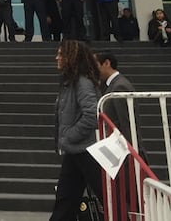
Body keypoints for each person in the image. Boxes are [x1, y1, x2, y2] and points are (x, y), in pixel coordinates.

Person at [50, 39, 103, 221]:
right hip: (76, 151)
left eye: (60, 54)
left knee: (105, 196)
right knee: (65, 200)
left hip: (85, 151)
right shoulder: (70, 82)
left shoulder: (82, 83)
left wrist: (68, 136)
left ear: (71, 57)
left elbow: (91, 114)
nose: (56, 58)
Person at [96, 51, 137, 144]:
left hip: (122, 148)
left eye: (95, 65)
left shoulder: (120, 86)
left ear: (106, 63)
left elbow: (126, 123)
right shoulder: (110, 85)